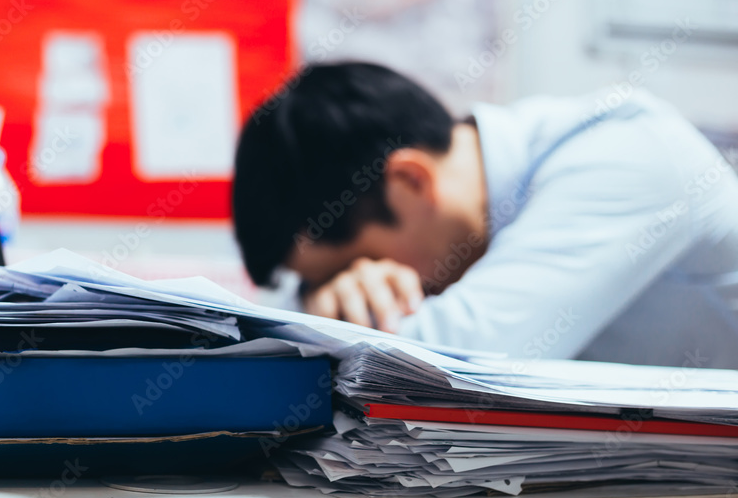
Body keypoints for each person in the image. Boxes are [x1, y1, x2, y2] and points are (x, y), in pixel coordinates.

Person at [232, 62, 738, 368]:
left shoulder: (625, 153)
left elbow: (454, 368)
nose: (361, 285)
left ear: (410, 182)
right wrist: (321, 301)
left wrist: (327, 320)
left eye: (349, 267)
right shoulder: (494, 177)